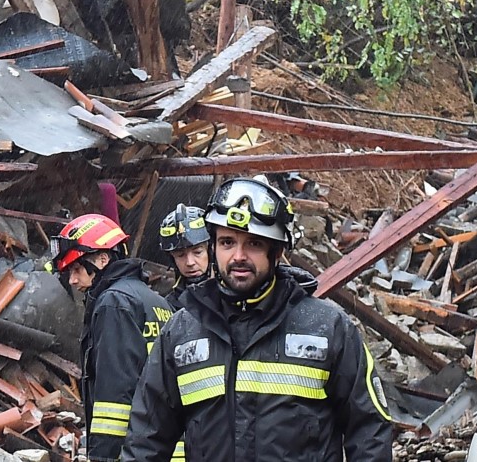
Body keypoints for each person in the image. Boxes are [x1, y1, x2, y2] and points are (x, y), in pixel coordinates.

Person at [121, 178, 393, 462]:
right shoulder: (181, 333)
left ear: (276, 252)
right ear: (213, 247)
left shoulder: (328, 329)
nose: (238, 256)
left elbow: (369, 431)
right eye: (227, 242)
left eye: (253, 243)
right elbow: (145, 442)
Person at [47, 214, 174, 462]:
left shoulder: (113, 303)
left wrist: (103, 455)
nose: (72, 280)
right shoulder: (158, 302)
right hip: (165, 445)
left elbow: (115, 390)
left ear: (102, 260)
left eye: (76, 269)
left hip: (132, 449)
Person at [158, 204, 211, 309]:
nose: (190, 262)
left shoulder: (234, 295)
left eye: (198, 252)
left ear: (211, 251)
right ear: (172, 259)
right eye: (180, 255)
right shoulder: (169, 305)